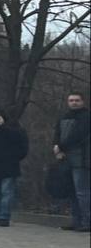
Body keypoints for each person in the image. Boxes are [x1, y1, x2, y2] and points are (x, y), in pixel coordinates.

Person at [52, 92, 91, 232]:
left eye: (77, 100)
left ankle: (87, 222)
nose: (74, 102)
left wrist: (60, 146)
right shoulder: (63, 117)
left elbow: (78, 135)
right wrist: (56, 146)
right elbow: (57, 133)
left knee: (83, 192)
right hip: (66, 160)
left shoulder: (86, 117)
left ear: (83, 101)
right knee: (72, 193)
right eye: (71, 100)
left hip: (82, 160)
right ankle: (77, 222)